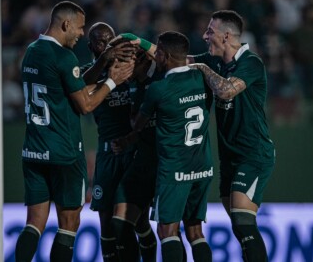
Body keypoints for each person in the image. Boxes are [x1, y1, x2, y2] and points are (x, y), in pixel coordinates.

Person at [15, 1, 134, 262]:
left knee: (34, 223)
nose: (81, 34)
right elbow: (85, 104)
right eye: (80, 28)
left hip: (34, 151)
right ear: (66, 24)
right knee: (68, 225)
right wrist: (114, 80)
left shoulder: (32, 51)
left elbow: (71, 83)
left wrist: (102, 61)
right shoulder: (64, 56)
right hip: (64, 153)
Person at [118, 31, 214, 262]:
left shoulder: (159, 89)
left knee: (167, 231)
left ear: (167, 55)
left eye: (158, 51)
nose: (155, 55)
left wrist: (135, 100)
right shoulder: (202, 78)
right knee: (195, 232)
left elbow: (137, 125)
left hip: (175, 170)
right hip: (203, 167)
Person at [190, 10, 276, 261]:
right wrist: (140, 44)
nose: (205, 36)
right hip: (229, 157)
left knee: (241, 219)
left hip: (254, 154)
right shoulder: (215, 62)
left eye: (210, 31)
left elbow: (226, 91)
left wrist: (203, 67)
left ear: (226, 36)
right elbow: (176, 58)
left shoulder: (251, 62)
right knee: (240, 228)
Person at [81, 22, 157, 262]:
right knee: (105, 222)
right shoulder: (91, 72)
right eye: (100, 41)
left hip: (134, 153)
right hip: (107, 154)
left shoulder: (133, 68)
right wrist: (105, 61)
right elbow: (81, 86)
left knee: (138, 220)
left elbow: (161, 63)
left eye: (110, 39)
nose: (106, 44)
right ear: (91, 45)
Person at [110, 49, 161, 262]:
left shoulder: (162, 76)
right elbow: (139, 126)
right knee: (120, 222)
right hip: (141, 160)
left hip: (166, 163)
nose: (121, 68)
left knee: (170, 231)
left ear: (140, 60)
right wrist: (127, 140)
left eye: (125, 62)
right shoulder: (131, 83)